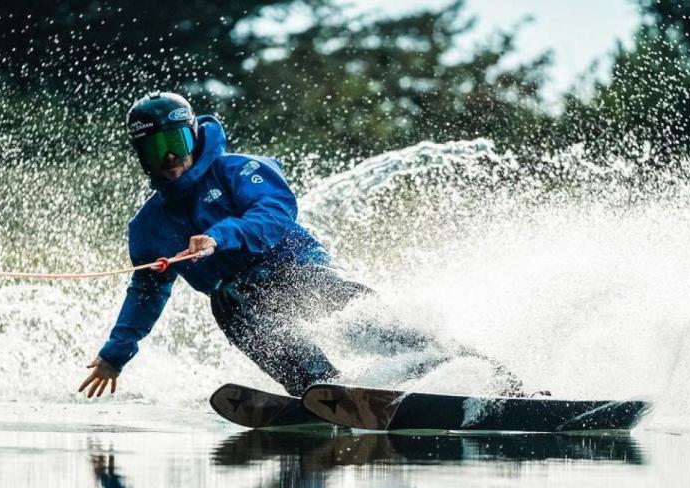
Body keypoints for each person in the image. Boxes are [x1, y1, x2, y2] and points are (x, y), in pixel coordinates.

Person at [78, 91, 522, 399]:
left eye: (175, 143)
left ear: (193, 136)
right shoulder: (149, 228)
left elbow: (273, 215)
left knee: (363, 325)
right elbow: (146, 294)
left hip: (294, 266)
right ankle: (323, 389)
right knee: (227, 302)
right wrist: (115, 355)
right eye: (155, 151)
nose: (170, 159)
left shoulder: (239, 170)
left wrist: (219, 237)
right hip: (242, 298)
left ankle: (483, 372)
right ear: (141, 158)